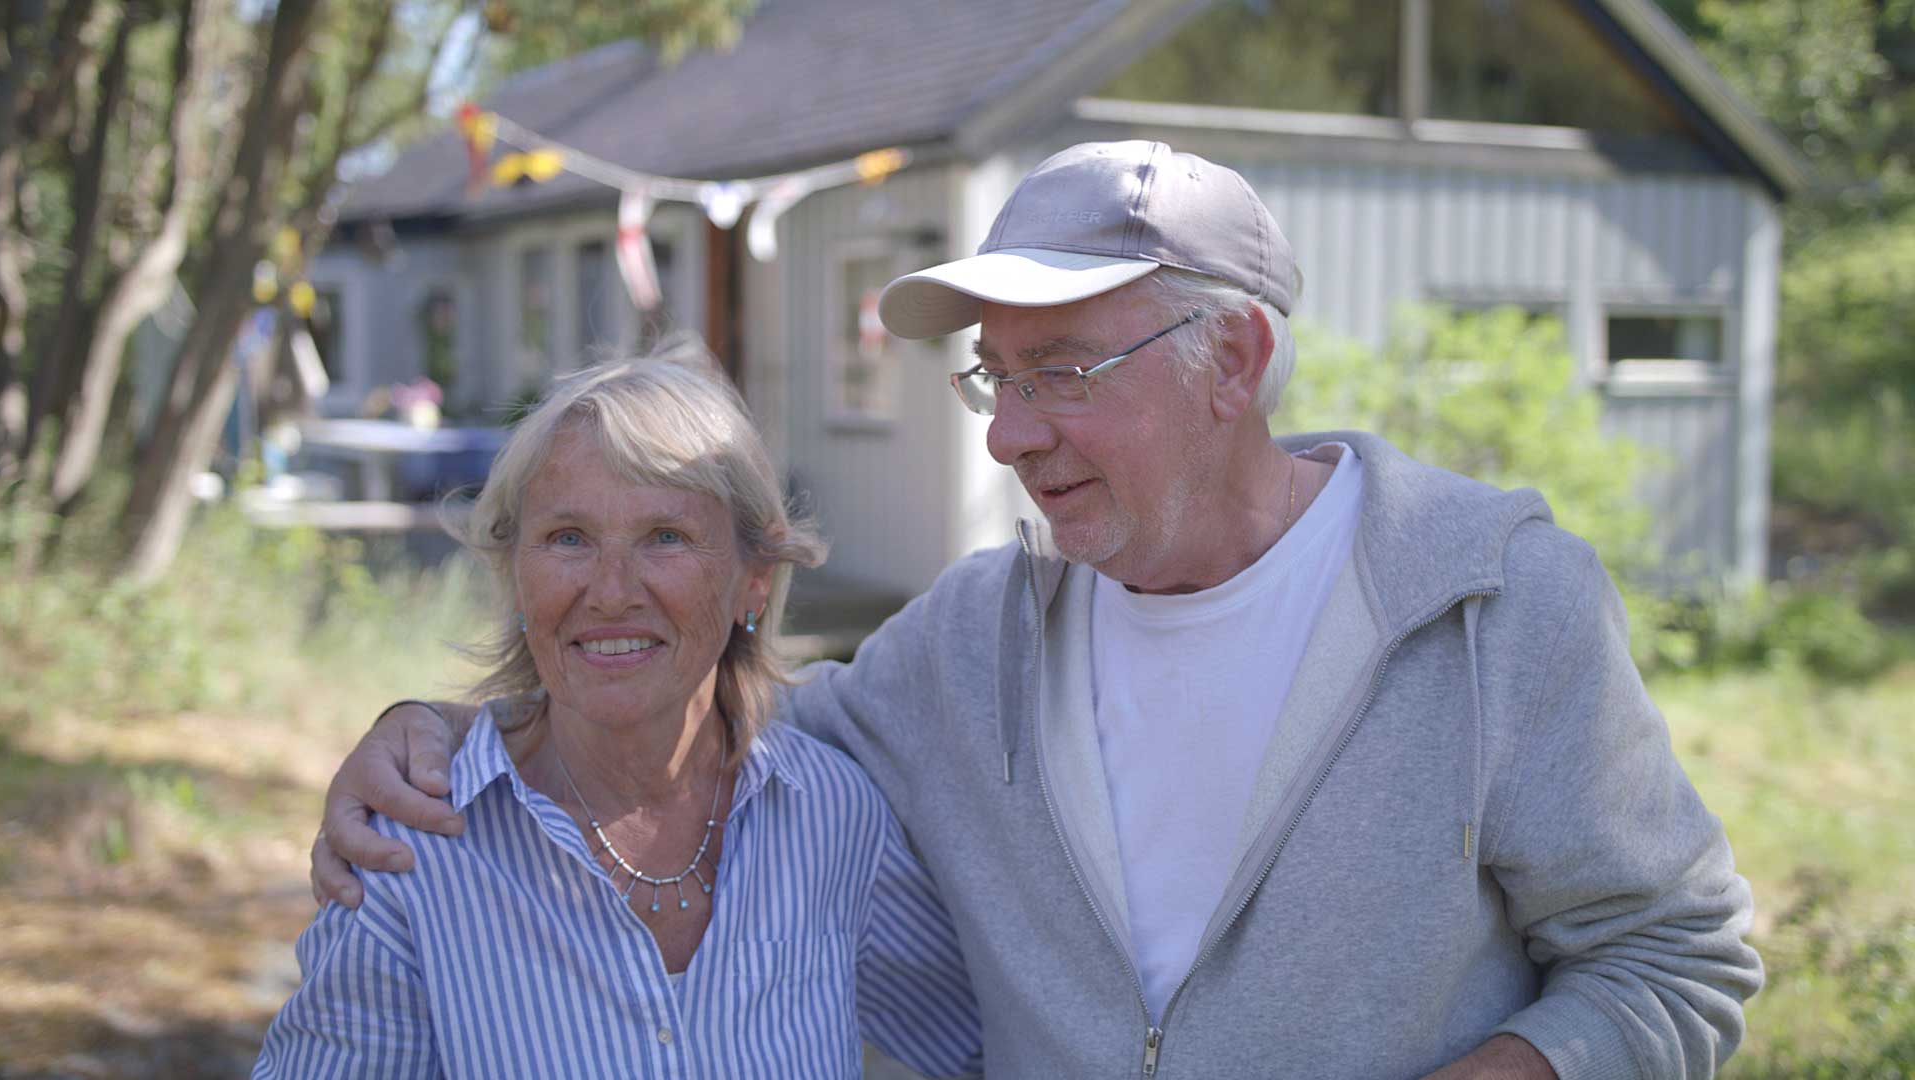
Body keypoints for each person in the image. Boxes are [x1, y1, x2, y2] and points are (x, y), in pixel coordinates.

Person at [311, 142, 1762, 1078]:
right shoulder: (968, 642)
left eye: (1064, 368)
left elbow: (1672, 960)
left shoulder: (1493, 604)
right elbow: (695, 717)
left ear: (1234, 356)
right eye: (998, 377)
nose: (1010, 435)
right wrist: (446, 727)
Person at [256, 345, 983, 1078]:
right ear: (514, 575)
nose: (609, 591)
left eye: (665, 537)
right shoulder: (413, 846)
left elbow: (986, 1047)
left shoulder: (834, 817)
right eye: (568, 538)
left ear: (753, 584)